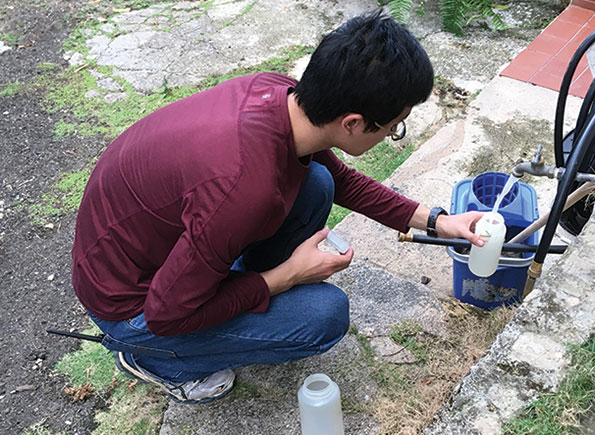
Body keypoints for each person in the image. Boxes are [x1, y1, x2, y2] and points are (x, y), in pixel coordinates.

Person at [71, 10, 484, 404]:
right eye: (395, 127)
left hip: (165, 252)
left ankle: (238, 285)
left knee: (317, 182)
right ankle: (154, 360)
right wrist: (284, 277)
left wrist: (438, 221)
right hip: (133, 307)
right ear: (354, 123)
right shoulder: (243, 191)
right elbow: (165, 315)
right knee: (323, 316)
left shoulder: (278, 93)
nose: (394, 133)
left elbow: (341, 181)